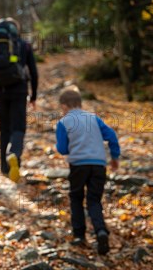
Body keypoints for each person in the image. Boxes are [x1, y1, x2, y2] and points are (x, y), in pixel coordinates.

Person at [55, 88, 120, 255]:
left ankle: (79, 235)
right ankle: (101, 231)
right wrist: (114, 157)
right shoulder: (93, 118)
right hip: (99, 164)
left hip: (78, 165)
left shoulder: (63, 122)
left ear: (64, 106)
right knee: (94, 199)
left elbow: (62, 149)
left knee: (76, 197)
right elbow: (111, 135)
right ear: (80, 103)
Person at [0, 17, 38, 182]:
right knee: (18, 127)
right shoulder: (24, 45)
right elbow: (33, 71)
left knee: (4, 128)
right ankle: (14, 155)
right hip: (19, 89)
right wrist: (33, 95)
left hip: (0, 90)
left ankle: (4, 167)